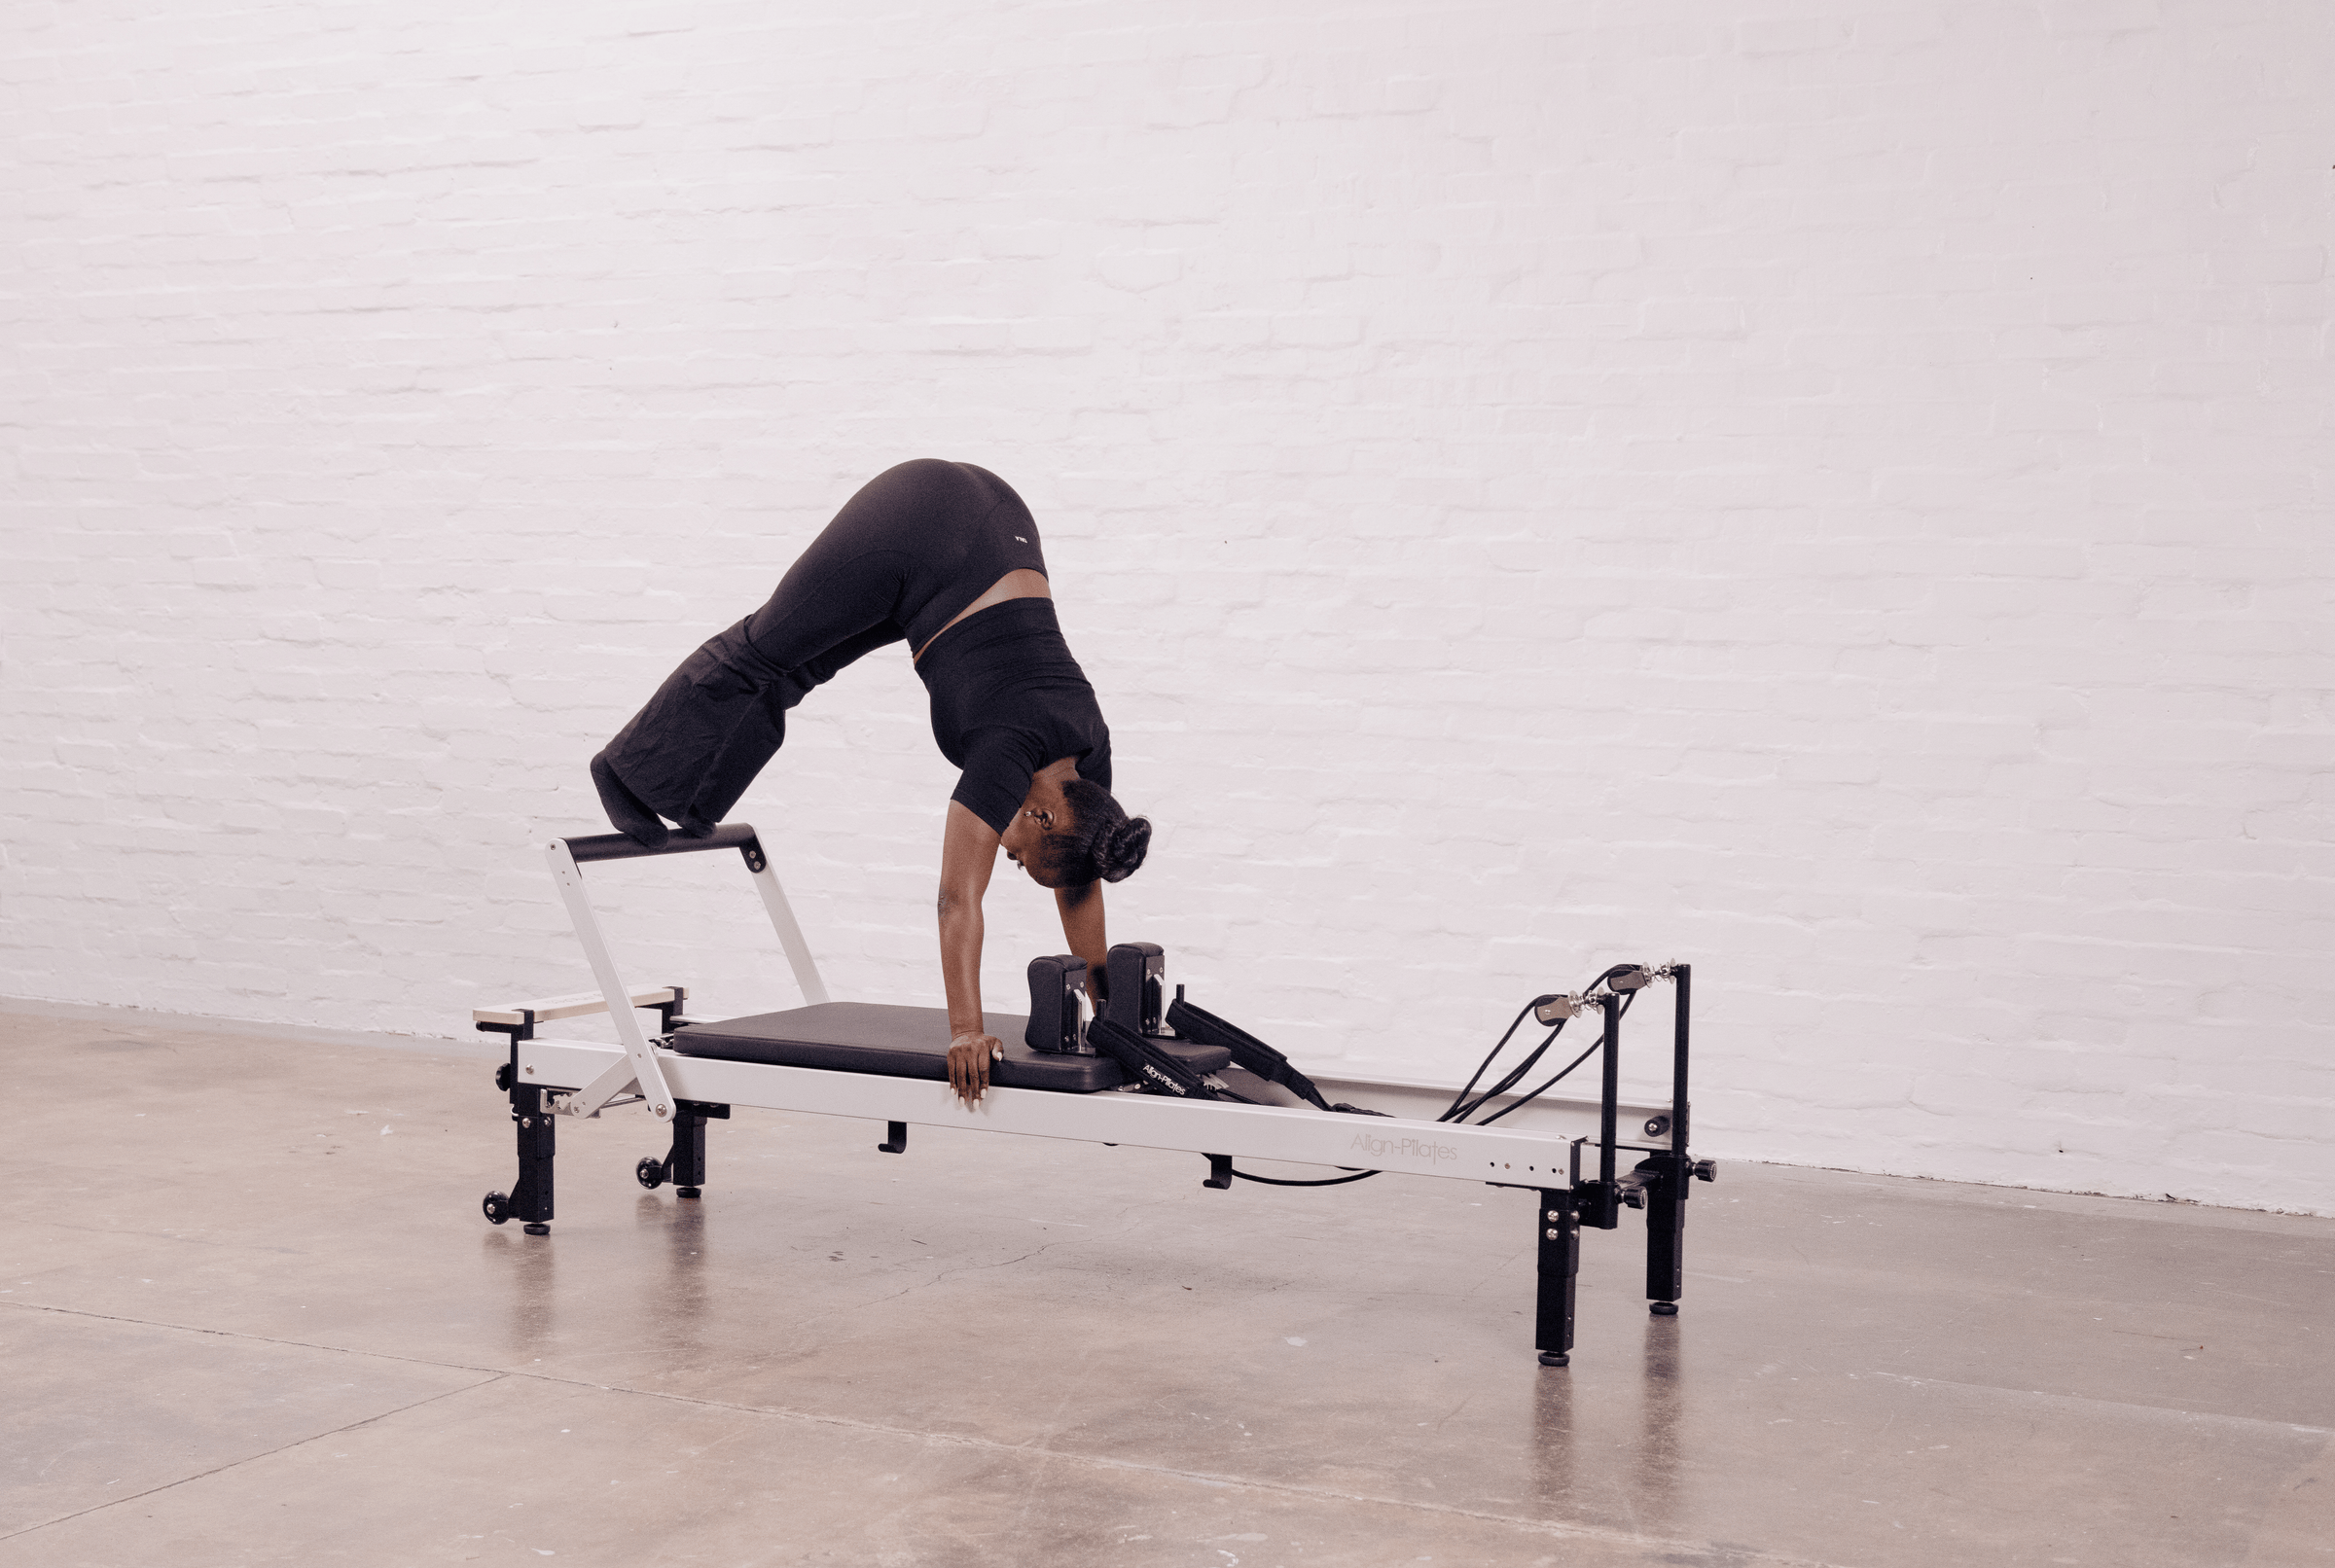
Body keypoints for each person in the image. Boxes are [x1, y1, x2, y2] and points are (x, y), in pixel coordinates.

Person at [589, 459, 1150, 1106]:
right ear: (1045, 815)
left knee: (800, 669)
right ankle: (625, 771)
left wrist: (1111, 1008)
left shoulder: (1087, 758)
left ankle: (687, 796)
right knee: (765, 646)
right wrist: (965, 1031)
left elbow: (1080, 888)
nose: (1007, 852)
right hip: (924, 517)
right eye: (1021, 855)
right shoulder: (1009, 753)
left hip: (980, 540)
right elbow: (956, 901)